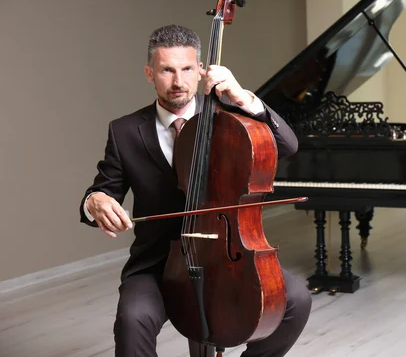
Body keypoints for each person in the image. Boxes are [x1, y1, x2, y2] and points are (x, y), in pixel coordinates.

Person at [79, 24, 312, 357]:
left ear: (201, 70)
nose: (178, 81)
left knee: (296, 299)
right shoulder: (125, 131)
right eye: (167, 70)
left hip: (230, 258)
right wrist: (95, 201)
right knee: (132, 320)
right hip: (159, 264)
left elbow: (288, 146)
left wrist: (245, 98)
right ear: (149, 73)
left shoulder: (230, 119)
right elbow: (102, 193)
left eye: (188, 69)